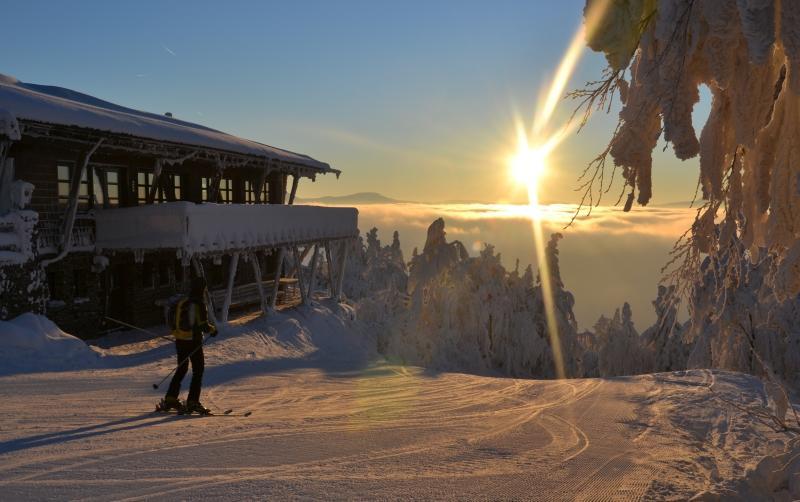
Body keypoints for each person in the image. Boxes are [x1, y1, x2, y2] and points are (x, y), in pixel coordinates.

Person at [159, 276, 217, 414]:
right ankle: (193, 402)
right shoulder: (199, 303)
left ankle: (171, 398)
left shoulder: (183, 301)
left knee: (182, 369)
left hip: (180, 341)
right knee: (198, 370)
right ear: (202, 289)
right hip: (193, 342)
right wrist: (213, 330)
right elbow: (203, 325)